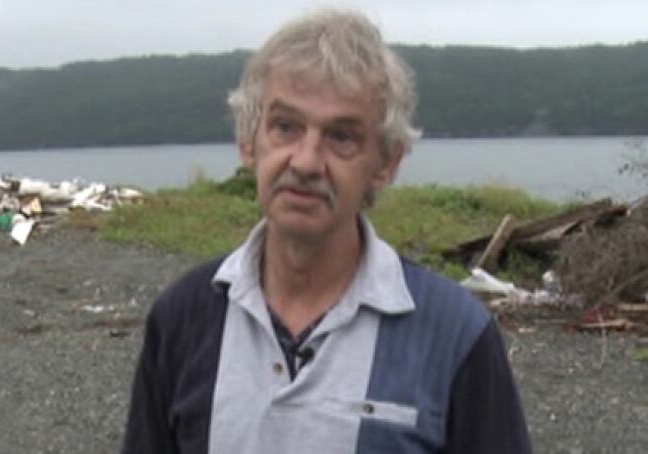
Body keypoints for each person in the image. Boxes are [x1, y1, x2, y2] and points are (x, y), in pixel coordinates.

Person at [121, 9, 532, 454]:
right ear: (248, 139)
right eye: (285, 127)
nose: (306, 161)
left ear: (386, 163)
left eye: (341, 136)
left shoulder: (455, 335)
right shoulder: (183, 317)